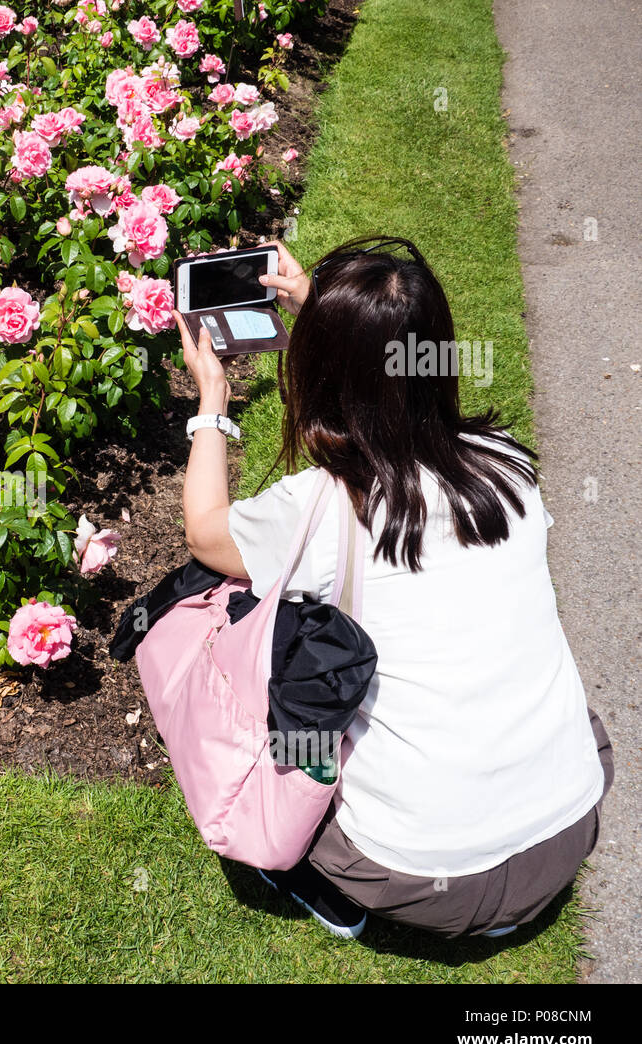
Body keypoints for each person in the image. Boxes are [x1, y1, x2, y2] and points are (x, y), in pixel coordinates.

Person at [174, 235, 613, 940]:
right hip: (568, 828)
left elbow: (205, 533)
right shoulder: (506, 468)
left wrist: (211, 400)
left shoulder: (320, 507)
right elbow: (386, 382)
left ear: (319, 373)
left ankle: (325, 889)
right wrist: (327, 318)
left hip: (421, 879)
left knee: (234, 614)